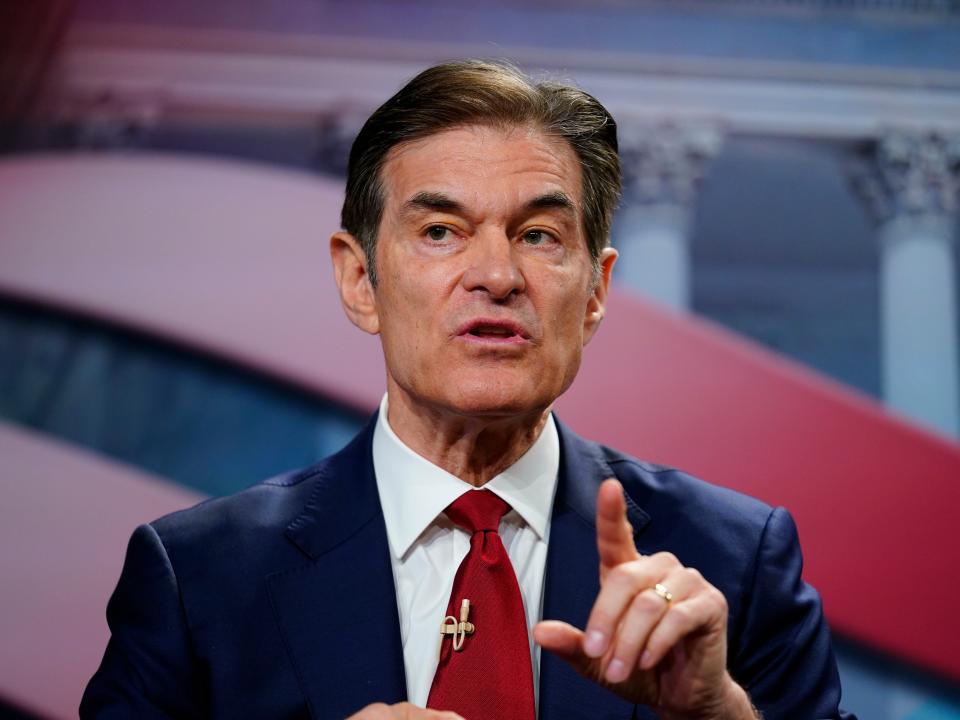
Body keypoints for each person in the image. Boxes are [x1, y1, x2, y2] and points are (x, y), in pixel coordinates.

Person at [81, 60, 854, 720]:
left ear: (595, 292)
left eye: (539, 236)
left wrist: (721, 713)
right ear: (360, 280)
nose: (496, 275)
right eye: (441, 232)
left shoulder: (735, 563)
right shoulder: (201, 578)